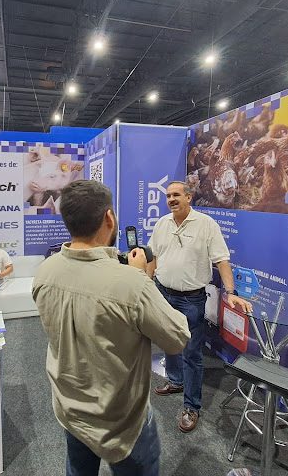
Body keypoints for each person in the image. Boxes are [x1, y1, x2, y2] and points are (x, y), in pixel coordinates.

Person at [32, 180, 191, 476]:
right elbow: (177, 338)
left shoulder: (45, 272)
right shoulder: (132, 284)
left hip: (69, 408)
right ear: (109, 218)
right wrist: (141, 278)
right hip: (121, 422)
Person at [146, 181, 251, 433]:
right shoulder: (162, 223)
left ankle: (191, 406)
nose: (171, 199)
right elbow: (153, 256)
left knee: (192, 352)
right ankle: (175, 381)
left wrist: (230, 292)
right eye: (168, 196)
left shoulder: (206, 224)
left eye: (176, 195)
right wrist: (146, 284)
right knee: (169, 341)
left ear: (189, 197)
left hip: (191, 299)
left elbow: (222, 260)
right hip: (163, 292)